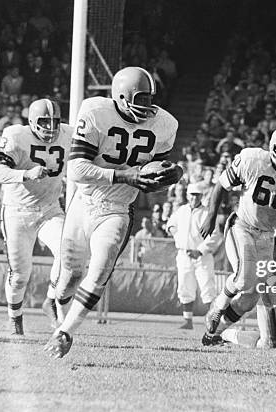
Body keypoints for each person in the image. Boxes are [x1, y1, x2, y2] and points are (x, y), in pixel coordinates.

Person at [44, 66, 181, 358]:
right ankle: (55, 305)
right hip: (84, 202)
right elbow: (77, 169)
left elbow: (151, 175)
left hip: (118, 209)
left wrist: (171, 173)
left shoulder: (164, 124)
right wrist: (124, 176)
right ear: (120, 96)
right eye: (140, 99)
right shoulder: (95, 112)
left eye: (149, 99)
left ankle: (65, 333)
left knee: (100, 269)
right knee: (69, 277)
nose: (147, 106)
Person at [199, 127, 276, 346]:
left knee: (250, 298)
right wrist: (211, 215)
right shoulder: (252, 160)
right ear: (271, 147)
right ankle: (217, 306)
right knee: (245, 277)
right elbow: (221, 185)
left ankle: (216, 333)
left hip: (268, 235)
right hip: (242, 226)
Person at [0, 98, 73, 335]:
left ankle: (50, 300)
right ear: (32, 121)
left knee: (67, 252)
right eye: (44, 121)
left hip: (49, 207)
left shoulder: (68, 134)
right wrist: (26, 173)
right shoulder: (16, 135)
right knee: (20, 275)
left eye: (54, 121)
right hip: (17, 210)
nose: (50, 127)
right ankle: (15, 318)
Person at [167, 183, 222, 329]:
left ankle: (213, 322)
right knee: (185, 286)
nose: (194, 197)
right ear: (187, 195)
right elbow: (171, 224)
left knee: (207, 287)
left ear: (201, 196)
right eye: (192, 194)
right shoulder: (181, 210)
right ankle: (187, 320)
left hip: (202, 256)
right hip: (184, 254)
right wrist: (176, 234)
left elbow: (215, 235)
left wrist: (200, 250)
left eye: (197, 195)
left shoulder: (207, 213)